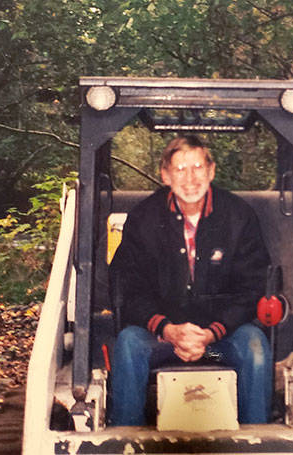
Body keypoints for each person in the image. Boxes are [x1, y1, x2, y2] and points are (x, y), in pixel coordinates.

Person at [109, 135, 272, 426]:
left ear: (211, 171)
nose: (190, 178)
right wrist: (167, 329)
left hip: (217, 342)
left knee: (255, 347)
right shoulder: (143, 218)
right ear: (165, 175)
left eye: (198, 167)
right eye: (180, 169)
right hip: (163, 339)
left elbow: (252, 288)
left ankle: (258, 438)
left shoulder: (239, 216)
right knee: (127, 344)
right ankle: (124, 439)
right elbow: (128, 287)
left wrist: (211, 334)